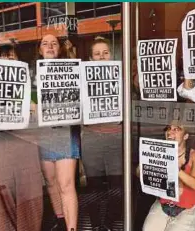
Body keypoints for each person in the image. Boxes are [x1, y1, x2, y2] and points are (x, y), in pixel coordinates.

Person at [37, 34, 80, 231]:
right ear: (40, 50)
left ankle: (71, 228)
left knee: (66, 184)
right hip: (43, 134)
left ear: (59, 49)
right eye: (45, 43)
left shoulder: (72, 71)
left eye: (54, 43)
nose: (50, 46)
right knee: (51, 181)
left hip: (64, 133)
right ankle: (61, 220)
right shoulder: (30, 75)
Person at [81, 37, 123, 231]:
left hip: (116, 137)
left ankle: (109, 223)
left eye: (105, 53)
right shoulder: (82, 81)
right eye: (97, 54)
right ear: (91, 58)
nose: (102, 57)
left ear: (111, 55)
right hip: (91, 138)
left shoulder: (120, 77)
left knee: (117, 186)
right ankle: (96, 225)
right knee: (93, 186)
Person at [142, 121, 195, 231]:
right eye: (169, 128)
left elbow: (194, 184)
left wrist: (175, 168)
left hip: (188, 208)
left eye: (176, 129)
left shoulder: (193, 155)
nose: (170, 131)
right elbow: (139, 172)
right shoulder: (159, 151)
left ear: (186, 136)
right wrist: (145, 164)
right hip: (163, 204)